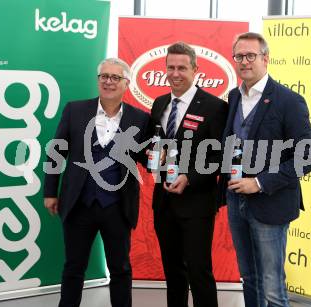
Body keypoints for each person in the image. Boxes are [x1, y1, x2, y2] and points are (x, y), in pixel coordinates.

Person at [218, 32, 311, 307]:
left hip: (270, 202)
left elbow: (306, 157)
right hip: (236, 199)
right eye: (239, 56)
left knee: (271, 286)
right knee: (249, 278)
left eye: (251, 55)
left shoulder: (288, 101)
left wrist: (259, 183)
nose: (244, 61)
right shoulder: (234, 97)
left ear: (266, 59)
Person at [43, 58, 150, 307]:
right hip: (79, 203)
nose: (108, 82)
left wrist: (162, 157)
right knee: (73, 268)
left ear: (126, 84)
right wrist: (50, 191)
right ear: (98, 80)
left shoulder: (139, 118)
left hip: (117, 206)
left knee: (121, 269)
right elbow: (56, 152)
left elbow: (145, 156)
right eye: (104, 76)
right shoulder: (75, 110)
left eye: (115, 77)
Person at [150, 42, 228, 307]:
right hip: (163, 201)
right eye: (170, 67)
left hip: (196, 203)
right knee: (173, 271)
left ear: (195, 69)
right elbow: (157, 144)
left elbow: (221, 157)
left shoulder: (215, 107)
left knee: (199, 271)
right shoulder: (160, 103)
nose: (175, 73)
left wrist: (190, 177)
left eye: (182, 68)